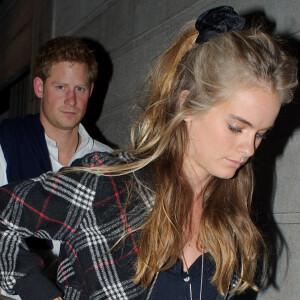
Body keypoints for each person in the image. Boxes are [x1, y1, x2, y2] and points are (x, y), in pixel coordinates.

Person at [0, 6, 298, 300]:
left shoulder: (234, 220)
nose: (249, 149)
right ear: (187, 104)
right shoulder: (109, 188)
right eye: (236, 127)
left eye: (260, 134)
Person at [0, 36, 111, 299]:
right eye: (61, 87)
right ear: (39, 87)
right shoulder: (6, 144)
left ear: (91, 91)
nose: (71, 100)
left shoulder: (107, 161)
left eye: (80, 89)